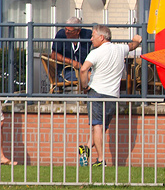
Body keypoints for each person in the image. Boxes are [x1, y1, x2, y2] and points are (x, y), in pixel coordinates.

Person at [80, 24, 142, 166]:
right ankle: (87, 149)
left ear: (101, 37)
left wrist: (84, 86)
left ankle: (101, 159)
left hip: (96, 92)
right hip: (113, 95)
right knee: (102, 126)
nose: (91, 39)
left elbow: (83, 69)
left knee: (97, 126)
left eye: (93, 36)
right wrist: (137, 40)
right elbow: (132, 46)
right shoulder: (120, 49)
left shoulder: (96, 52)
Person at [51, 16, 92, 84]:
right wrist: (72, 62)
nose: (66, 32)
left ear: (78, 31)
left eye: (69, 31)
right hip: (67, 70)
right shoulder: (61, 34)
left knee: (96, 77)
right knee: (84, 78)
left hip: (85, 69)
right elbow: (54, 55)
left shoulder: (87, 35)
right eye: (66, 29)